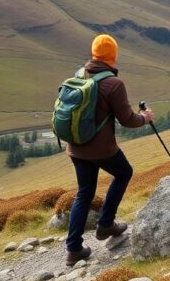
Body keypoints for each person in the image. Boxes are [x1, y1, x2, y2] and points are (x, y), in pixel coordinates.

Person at [64, 34, 154, 266]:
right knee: (124, 173)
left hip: (76, 147)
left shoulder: (79, 75)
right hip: (102, 149)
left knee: (84, 193)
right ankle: (105, 224)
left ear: (94, 53)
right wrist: (145, 118)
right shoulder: (114, 84)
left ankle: (73, 249)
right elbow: (127, 119)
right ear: (113, 56)